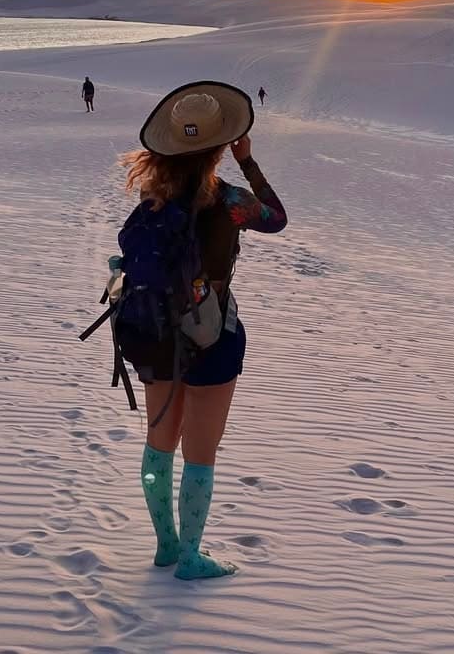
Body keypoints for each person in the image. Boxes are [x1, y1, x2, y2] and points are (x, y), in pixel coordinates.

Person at [119, 82, 287, 580]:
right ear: (221, 146)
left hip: (153, 332)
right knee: (201, 453)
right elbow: (276, 219)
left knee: (158, 443)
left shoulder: (152, 199)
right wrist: (249, 163)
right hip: (214, 334)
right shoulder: (231, 200)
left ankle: (165, 546)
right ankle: (190, 557)